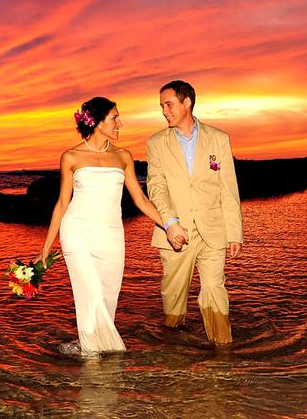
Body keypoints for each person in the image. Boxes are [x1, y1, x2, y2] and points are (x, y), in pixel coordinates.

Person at [37, 97, 167, 355]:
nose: (120, 123)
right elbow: (62, 203)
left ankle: (88, 346)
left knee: (107, 298)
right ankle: (92, 355)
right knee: (92, 294)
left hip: (112, 236)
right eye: (115, 118)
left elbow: (140, 199)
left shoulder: (124, 156)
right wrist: (45, 248)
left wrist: (169, 225)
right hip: (77, 233)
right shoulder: (71, 157)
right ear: (97, 122)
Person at [146, 80, 243, 345]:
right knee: (174, 297)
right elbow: (156, 187)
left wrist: (234, 233)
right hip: (175, 233)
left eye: (169, 104)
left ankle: (222, 348)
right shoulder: (156, 143)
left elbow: (228, 189)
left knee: (214, 288)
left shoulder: (219, 139)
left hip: (213, 230)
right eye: (161, 106)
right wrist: (170, 223)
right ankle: (172, 348)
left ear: (187, 102)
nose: (164, 111)